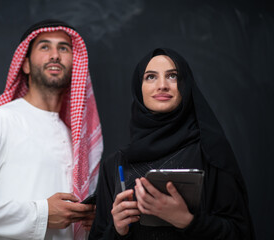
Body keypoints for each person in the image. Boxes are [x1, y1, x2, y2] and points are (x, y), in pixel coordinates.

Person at [0, 19, 103, 240]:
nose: (55, 55)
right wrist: (42, 213)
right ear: (25, 64)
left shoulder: (74, 139)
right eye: (44, 46)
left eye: (64, 48)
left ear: (76, 64)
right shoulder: (0, 119)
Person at [89, 48, 255, 239]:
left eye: (173, 76)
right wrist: (117, 230)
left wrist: (187, 221)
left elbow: (241, 233)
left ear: (185, 86)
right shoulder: (115, 164)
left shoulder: (210, 153)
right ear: (138, 88)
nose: (162, 85)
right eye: (150, 77)